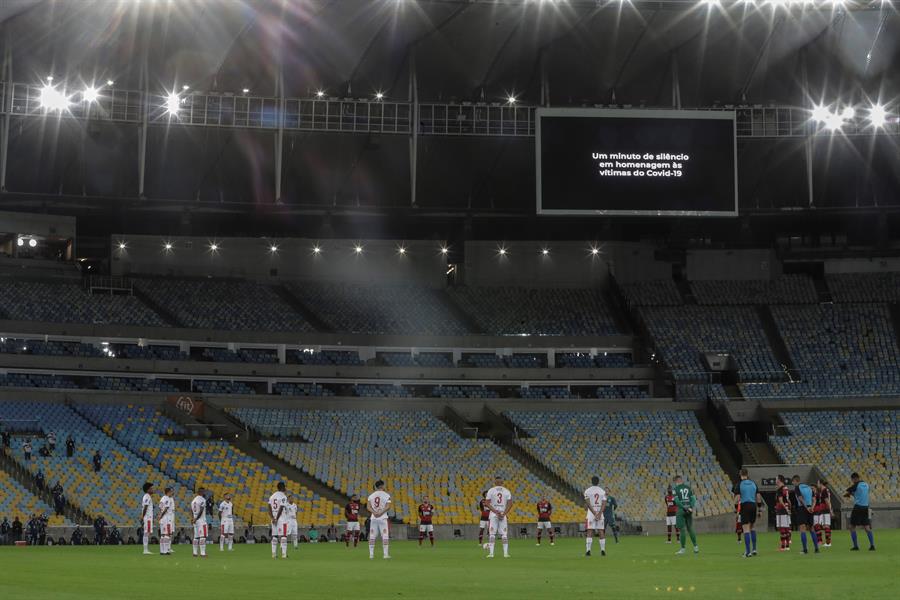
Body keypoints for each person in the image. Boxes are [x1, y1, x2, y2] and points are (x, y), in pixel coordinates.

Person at [734, 469, 763, 558]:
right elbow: (758, 497)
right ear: (747, 474)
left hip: (745, 506)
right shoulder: (753, 483)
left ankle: (748, 552)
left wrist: (736, 509)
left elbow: (737, 498)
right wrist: (760, 509)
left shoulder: (739, 484)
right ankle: (754, 549)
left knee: (746, 529)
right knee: (752, 528)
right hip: (753, 506)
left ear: (740, 474)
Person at [844, 472, 875, 552]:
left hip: (858, 508)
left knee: (852, 527)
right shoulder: (866, 485)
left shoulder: (856, 484)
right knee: (867, 527)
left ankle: (855, 546)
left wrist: (848, 494)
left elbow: (848, 490)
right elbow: (861, 495)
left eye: (852, 480)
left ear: (854, 478)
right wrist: (854, 494)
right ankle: (872, 545)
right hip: (865, 507)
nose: (853, 481)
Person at [485, 475, 512, 559]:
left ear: (495, 482)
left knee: (492, 534)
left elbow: (487, 503)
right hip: (502, 514)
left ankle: (491, 554)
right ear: (502, 482)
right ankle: (505, 554)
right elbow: (510, 504)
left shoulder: (491, 490)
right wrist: (504, 513)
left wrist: (495, 511)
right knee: (504, 534)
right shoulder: (507, 491)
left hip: (493, 514)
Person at [791, 475, 820, 554]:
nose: (793, 483)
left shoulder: (797, 487)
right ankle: (816, 549)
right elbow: (814, 499)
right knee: (812, 529)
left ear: (795, 481)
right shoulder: (809, 487)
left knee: (802, 529)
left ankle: (805, 549)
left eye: (793, 482)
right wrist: (812, 508)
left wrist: (806, 507)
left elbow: (800, 498)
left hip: (802, 508)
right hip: (810, 508)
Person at [672, 475, 699, 555]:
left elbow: (676, 501)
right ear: (681, 480)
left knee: (682, 530)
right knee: (690, 528)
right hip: (689, 509)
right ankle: (696, 547)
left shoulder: (675, 489)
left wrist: (684, 508)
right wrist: (690, 507)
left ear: (676, 481)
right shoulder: (688, 488)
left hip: (681, 510)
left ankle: (683, 549)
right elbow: (693, 499)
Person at [367, 479, 392, 560]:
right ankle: (385, 555)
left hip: (374, 518)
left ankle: (371, 555)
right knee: (385, 536)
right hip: (382, 518)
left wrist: (374, 512)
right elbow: (388, 507)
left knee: (372, 536)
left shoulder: (371, 496)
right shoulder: (387, 495)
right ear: (382, 486)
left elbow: (368, 507)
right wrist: (381, 512)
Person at [583, 475, 607, 557]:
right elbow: (604, 503)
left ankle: (588, 550)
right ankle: (603, 550)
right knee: (601, 531)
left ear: (591, 481)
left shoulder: (587, 491)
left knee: (589, 531)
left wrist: (594, 513)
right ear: (598, 482)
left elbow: (588, 503)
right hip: (599, 512)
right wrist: (599, 513)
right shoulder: (602, 491)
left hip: (591, 513)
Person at [268, 481, 289, 559]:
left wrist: (272, 518)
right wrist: (277, 518)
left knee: (275, 536)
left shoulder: (272, 496)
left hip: (273, 518)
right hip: (281, 518)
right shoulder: (283, 496)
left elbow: (269, 507)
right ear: (283, 487)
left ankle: (274, 554)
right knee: (283, 536)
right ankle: (283, 554)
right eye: (285, 486)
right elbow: (281, 507)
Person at [774, 475, 792, 551]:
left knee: (782, 528)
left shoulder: (780, 489)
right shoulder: (786, 488)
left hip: (781, 510)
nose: (775, 480)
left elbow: (781, 501)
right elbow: (788, 500)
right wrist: (789, 508)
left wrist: (785, 508)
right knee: (786, 527)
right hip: (786, 509)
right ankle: (787, 545)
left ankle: (783, 546)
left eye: (776, 479)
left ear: (779, 480)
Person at [814, 479, 833, 548]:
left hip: (825, 510)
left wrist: (830, 510)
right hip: (822, 510)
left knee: (826, 526)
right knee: (817, 525)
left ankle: (828, 543)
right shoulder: (823, 491)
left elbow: (827, 501)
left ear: (821, 483)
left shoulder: (824, 490)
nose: (817, 484)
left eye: (818, 483)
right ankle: (820, 541)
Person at [190, 486, 209, 558]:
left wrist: (193, 518)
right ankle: (202, 553)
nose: (204, 493)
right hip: (201, 520)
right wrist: (196, 518)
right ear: (201, 492)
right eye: (204, 491)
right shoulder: (202, 500)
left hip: (195, 520)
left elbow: (190, 510)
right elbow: (201, 510)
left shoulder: (193, 500)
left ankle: (194, 553)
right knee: (203, 536)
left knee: (196, 537)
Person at [159, 486, 175, 556]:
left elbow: (160, 508)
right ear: (168, 492)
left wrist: (160, 517)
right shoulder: (168, 499)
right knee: (167, 534)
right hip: (167, 518)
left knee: (162, 535)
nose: (172, 493)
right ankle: (166, 551)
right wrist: (161, 516)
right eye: (171, 491)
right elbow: (166, 509)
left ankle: (162, 550)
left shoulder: (162, 498)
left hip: (163, 519)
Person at [140, 482, 154, 555]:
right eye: (151, 488)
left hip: (148, 517)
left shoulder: (147, 496)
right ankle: (145, 550)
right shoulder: (147, 496)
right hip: (147, 517)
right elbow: (145, 507)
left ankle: (146, 549)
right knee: (146, 533)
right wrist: (143, 516)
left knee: (147, 533)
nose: (152, 490)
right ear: (148, 490)